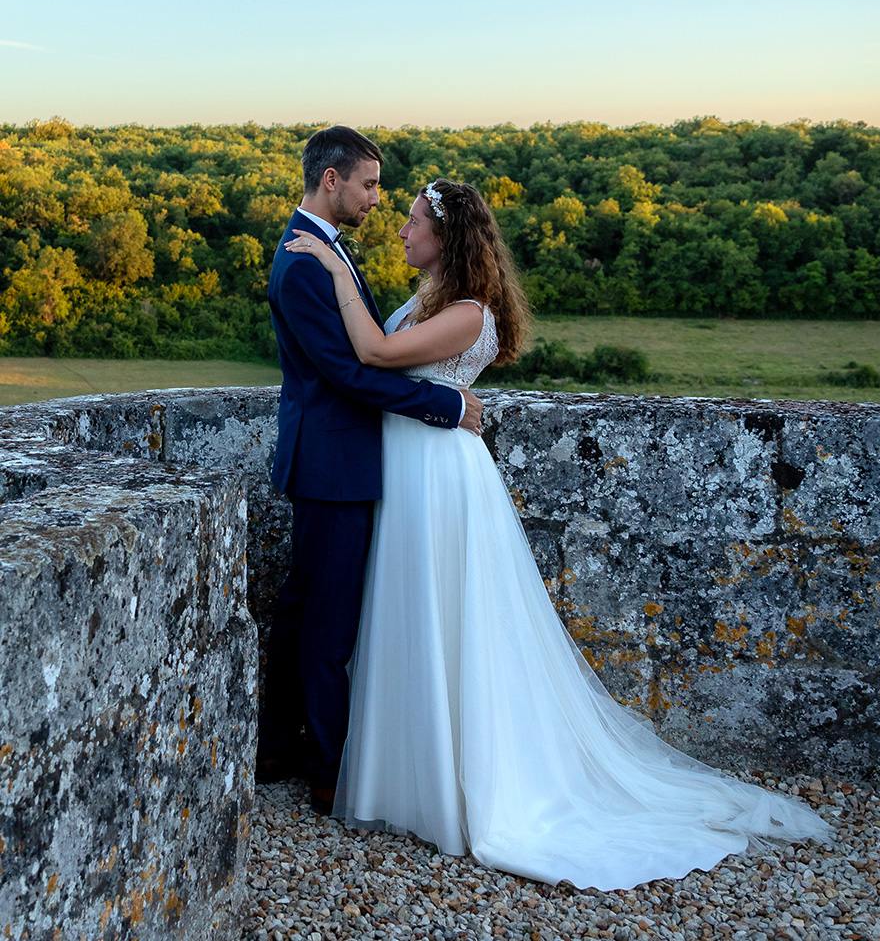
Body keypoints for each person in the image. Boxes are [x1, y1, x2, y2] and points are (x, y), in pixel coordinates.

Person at [284, 179, 832, 890]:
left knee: (447, 621)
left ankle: (466, 785)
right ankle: (404, 778)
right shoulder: (427, 301)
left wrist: (332, 269)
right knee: (404, 620)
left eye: (414, 221)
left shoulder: (467, 313)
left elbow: (375, 357)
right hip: (406, 470)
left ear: (445, 236)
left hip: (440, 478)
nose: (401, 231)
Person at [260, 128, 483, 818]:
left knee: (307, 613)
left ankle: (279, 750)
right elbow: (348, 374)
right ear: (332, 181)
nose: (376, 200)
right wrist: (443, 403)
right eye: (368, 185)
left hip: (339, 461)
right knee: (328, 625)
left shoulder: (322, 250)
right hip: (333, 463)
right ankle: (325, 770)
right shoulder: (304, 262)